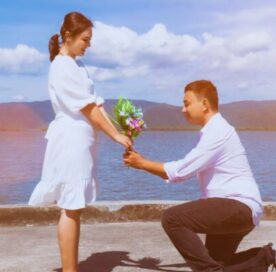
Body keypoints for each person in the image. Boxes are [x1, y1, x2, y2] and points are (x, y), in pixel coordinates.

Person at [124, 80, 276, 272]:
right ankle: (265, 258)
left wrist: (141, 163)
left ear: (204, 104)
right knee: (217, 264)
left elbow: (181, 171)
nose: (182, 109)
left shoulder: (218, 131)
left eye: (186, 103)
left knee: (172, 219)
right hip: (238, 209)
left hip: (237, 206)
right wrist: (142, 162)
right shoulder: (213, 131)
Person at [28, 12, 132, 272]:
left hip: (82, 140)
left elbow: (97, 104)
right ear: (68, 36)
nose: (89, 44)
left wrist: (120, 129)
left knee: (74, 207)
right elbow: (88, 108)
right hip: (71, 140)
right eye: (85, 39)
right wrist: (115, 135)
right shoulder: (62, 66)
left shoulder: (76, 65)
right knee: (71, 206)